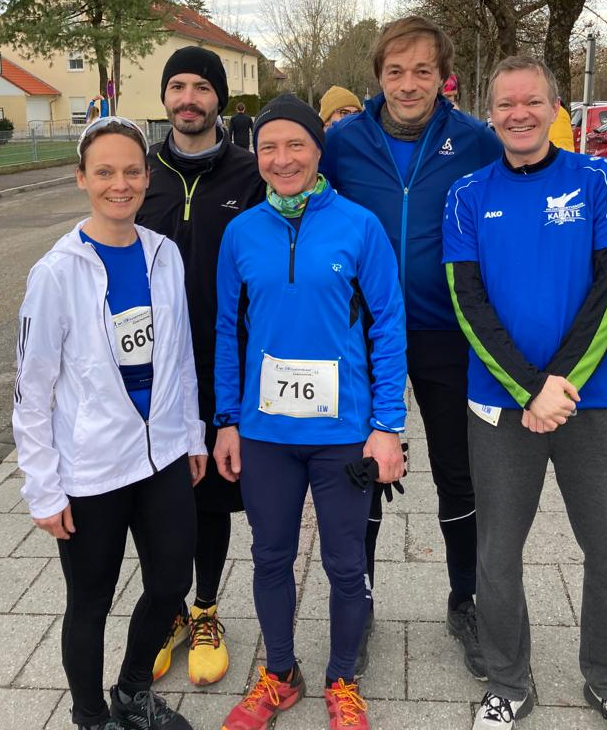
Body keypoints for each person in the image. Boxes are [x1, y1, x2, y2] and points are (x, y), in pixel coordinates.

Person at [442, 56, 607, 730]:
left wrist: (560, 385)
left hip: (596, 403)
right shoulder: (466, 193)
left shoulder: (603, 179)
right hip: (501, 407)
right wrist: (530, 391)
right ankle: (507, 681)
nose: (517, 114)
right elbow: (465, 301)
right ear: (490, 113)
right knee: (497, 555)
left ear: (555, 107)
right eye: (504, 104)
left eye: (531, 101)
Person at [213, 93, 407, 730]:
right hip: (266, 433)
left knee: (345, 564)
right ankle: (279, 674)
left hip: (343, 434)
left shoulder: (358, 226)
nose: (282, 158)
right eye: (269, 147)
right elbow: (225, 330)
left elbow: (387, 327)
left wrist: (387, 427)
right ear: (257, 155)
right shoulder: (241, 232)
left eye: (295, 144)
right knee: (269, 557)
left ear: (318, 150)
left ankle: (343, 678)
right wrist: (228, 420)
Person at [321, 15, 502, 678]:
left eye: (422, 70)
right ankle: (357, 603)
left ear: (441, 77)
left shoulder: (475, 142)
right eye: (395, 71)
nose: (407, 83)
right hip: (361, 337)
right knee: (359, 472)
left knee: (458, 471)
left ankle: (466, 601)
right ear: (377, 76)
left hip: (443, 333)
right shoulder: (342, 143)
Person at [12, 116, 206, 730]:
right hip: (92, 469)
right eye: (104, 172)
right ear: (81, 179)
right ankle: (91, 717)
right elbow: (31, 393)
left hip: (163, 456)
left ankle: (131, 692)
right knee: (90, 602)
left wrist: (192, 433)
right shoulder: (56, 273)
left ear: (147, 178)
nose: (119, 184)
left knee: (171, 581)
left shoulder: (165, 255)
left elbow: (181, 358)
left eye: (130, 171)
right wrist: (43, 488)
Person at [136, 45, 265, 686]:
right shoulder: (142, 175)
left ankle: (208, 608)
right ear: (166, 97)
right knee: (158, 496)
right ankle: (168, 611)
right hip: (149, 372)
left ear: (220, 98)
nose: (188, 98)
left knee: (212, 494)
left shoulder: (250, 175)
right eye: (177, 86)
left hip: (224, 363)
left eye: (201, 87)